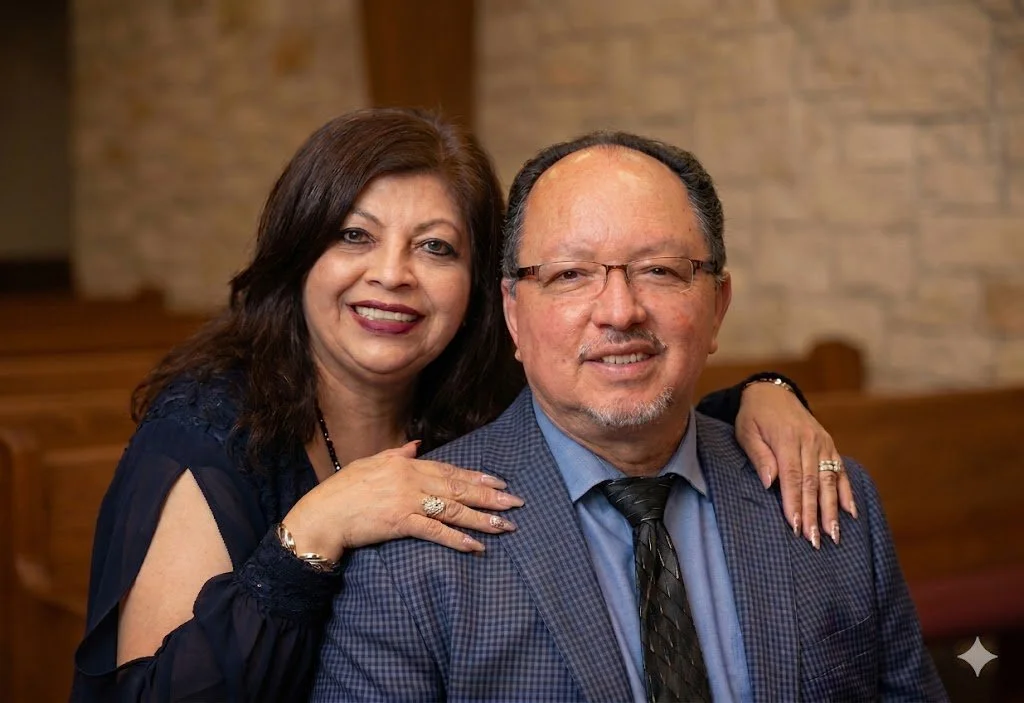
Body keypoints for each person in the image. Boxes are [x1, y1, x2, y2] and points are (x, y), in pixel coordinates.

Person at [74, 109, 848, 702]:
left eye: (436, 247)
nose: (393, 274)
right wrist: (315, 527)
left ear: (485, 289)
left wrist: (762, 394)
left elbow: (621, 411)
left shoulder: (475, 402)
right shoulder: (209, 431)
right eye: (354, 235)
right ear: (299, 253)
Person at [312, 131, 945, 702]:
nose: (619, 311)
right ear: (512, 312)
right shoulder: (406, 554)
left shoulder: (828, 500)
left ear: (718, 305)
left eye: (660, 270)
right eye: (570, 274)